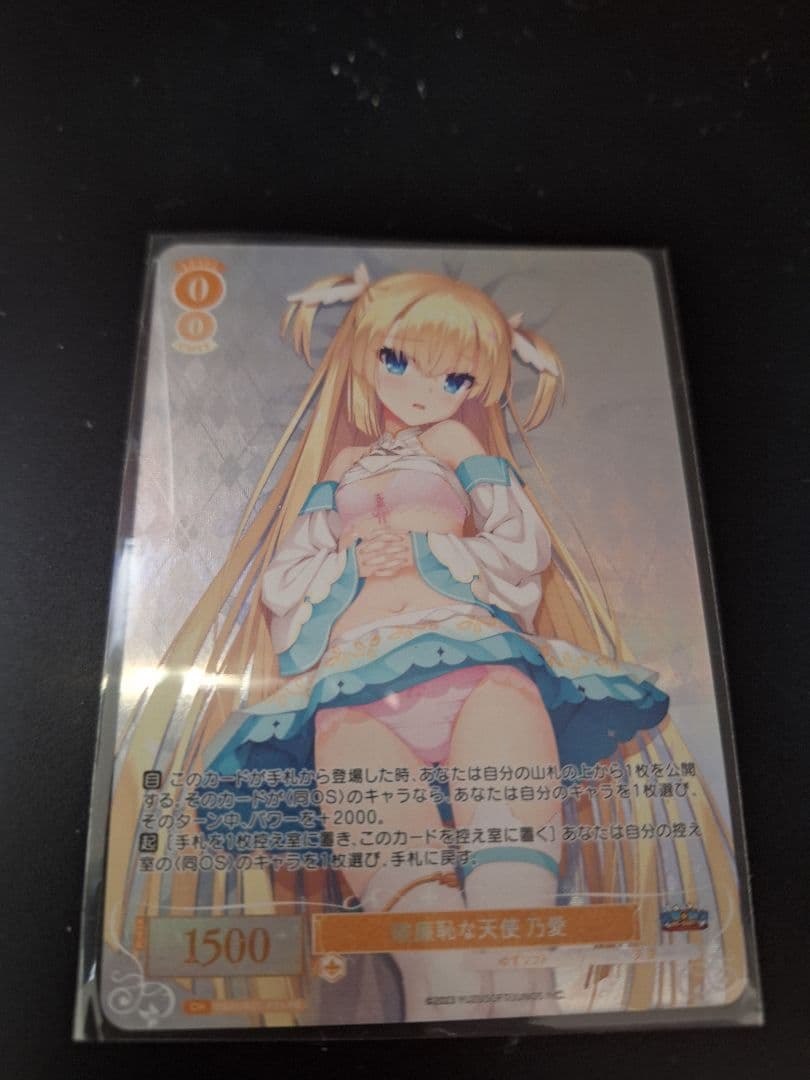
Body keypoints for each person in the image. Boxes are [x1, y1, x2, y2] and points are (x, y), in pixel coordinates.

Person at [107, 265, 744, 1025]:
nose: (420, 388)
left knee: (515, 932)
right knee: (426, 948)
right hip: (353, 692)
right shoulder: (341, 467)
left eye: (454, 377)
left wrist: (426, 552)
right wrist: (351, 564)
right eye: (397, 360)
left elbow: (521, 547)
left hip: (480, 672)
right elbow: (286, 581)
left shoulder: (455, 444)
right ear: (366, 354)